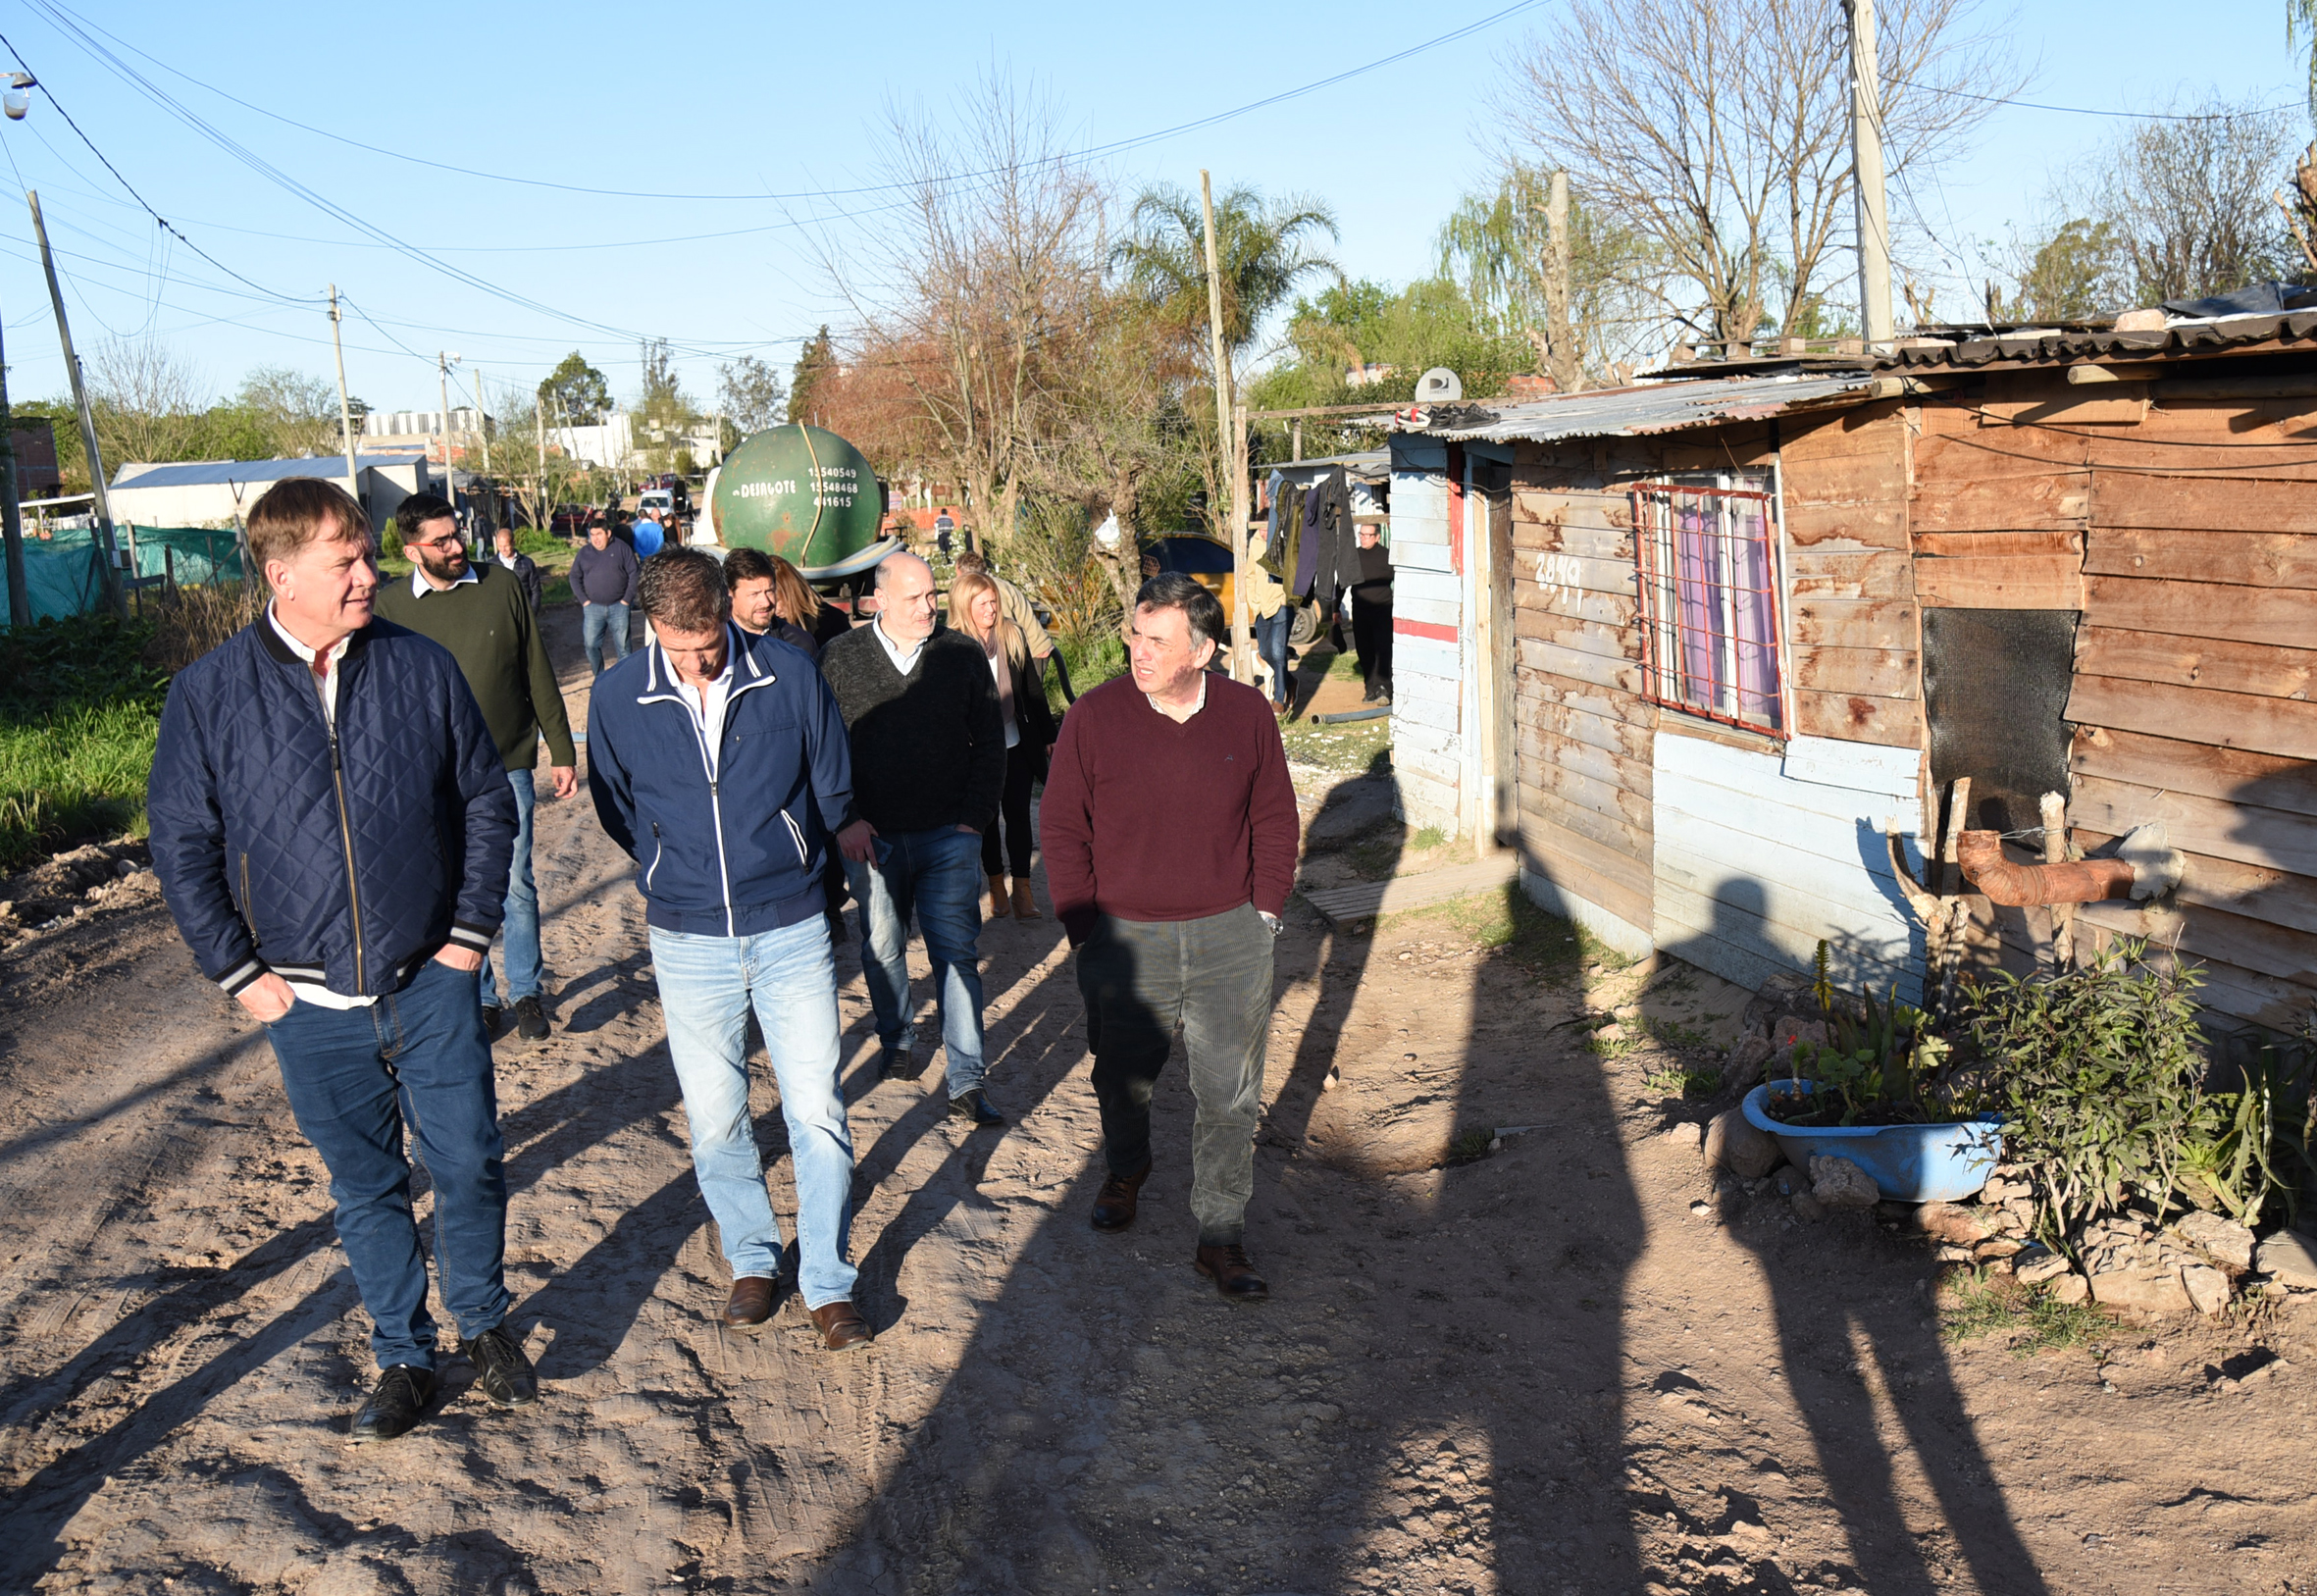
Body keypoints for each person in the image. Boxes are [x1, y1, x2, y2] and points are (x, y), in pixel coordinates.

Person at [145, 476, 533, 1442]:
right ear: (281, 575)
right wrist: (241, 973)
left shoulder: (420, 666)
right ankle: (406, 1356)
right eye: (345, 561)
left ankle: (482, 1322)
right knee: (366, 1187)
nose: (369, 575)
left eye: (366, 555)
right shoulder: (209, 695)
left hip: (432, 982)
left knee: (472, 1162)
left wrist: (467, 941)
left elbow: (486, 803)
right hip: (307, 1003)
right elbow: (181, 841)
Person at [586, 548, 871, 1351]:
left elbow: (829, 777)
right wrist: (661, 862)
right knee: (716, 1119)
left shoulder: (787, 673)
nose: (700, 659)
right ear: (652, 628)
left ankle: (826, 1279)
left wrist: (801, 861)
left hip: (789, 925)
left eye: (708, 640)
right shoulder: (616, 695)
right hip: (686, 937)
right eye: (681, 647)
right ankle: (752, 1257)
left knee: (817, 1109)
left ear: (725, 609)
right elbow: (616, 803)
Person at [1040, 572, 1299, 1300]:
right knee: (1121, 1078)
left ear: (1204, 651)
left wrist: (1266, 910)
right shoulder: (1094, 717)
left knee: (1230, 1094)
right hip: (1125, 941)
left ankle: (1220, 1237)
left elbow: (1275, 816)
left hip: (1229, 937)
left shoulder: (1248, 714)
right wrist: (1084, 925)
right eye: (1134, 634)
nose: (1138, 651)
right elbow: (1062, 826)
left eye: (1157, 640)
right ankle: (1127, 1166)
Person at [375, 492, 577, 1043]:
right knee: (457, 887)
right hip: (429, 773)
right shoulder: (391, 610)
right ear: (413, 550)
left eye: (456, 533)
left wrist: (560, 748)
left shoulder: (501, 586)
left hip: (505, 762)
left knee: (514, 881)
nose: (456, 545)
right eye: (440, 540)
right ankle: (483, 997)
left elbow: (536, 668)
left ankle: (528, 992)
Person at [818, 551, 1007, 1127]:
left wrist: (974, 820)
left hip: (949, 834)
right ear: (878, 602)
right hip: (871, 838)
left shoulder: (961, 654)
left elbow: (991, 743)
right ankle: (897, 1035)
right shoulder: (840, 659)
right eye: (915, 598)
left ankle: (967, 1079)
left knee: (957, 953)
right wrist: (845, 817)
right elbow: (823, 748)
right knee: (882, 945)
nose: (930, 607)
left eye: (932, 595)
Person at [949, 570, 1056, 922]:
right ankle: (996, 886)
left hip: (1015, 741)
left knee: (1020, 816)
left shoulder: (1011, 634)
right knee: (988, 820)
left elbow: (1031, 691)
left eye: (993, 602)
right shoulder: (953, 645)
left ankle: (1023, 890)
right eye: (983, 604)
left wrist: (1049, 734)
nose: (991, 609)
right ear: (965, 606)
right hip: (975, 750)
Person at [950, 548, 1055, 664]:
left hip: (1034, 650)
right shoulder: (988, 586)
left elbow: (1004, 629)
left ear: (968, 576)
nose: (956, 580)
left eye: (958, 575)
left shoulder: (995, 590)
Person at [725, 546, 823, 661]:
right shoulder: (715, 644)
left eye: (770, 591)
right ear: (730, 595)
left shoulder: (798, 644)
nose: (766, 603)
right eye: (754, 594)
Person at [571, 519, 642, 675]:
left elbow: (634, 574)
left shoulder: (622, 549)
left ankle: (624, 682)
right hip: (593, 609)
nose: (595, 538)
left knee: (624, 648)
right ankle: (600, 679)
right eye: (592, 534)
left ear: (608, 533)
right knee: (590, 645)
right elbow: (574, 577)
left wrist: (626, 600)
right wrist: (584, 601)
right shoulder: (584, 553)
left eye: (599, 534)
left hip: (619, 607)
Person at [1245, 532, 1292, 715]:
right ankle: (1290, 680)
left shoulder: (1282, 540)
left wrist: (1285, 598)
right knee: (1265, 651)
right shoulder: (1255, 543)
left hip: (1280, 603)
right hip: (1260, 607)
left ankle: (1279, 699)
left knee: (1278, 651)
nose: (1265, 533)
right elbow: (1250, 574)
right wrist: (1253, 601)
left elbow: (1291, 570)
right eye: (1261, 530)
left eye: (1267, 529)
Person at [1350, 522, 1394, 704]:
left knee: (1383, 650)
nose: (1363, 538)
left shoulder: (1387, 556)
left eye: (1368, 535)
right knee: (1364, 652)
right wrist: (1335, 609)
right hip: (1360, 611)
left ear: (1377, 537)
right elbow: (1342, 582)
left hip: (1382, 610)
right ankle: (1370, 689)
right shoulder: (1354, 556)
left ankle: (1384, 689)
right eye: (1361, 534)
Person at [492, 525, 543, 615]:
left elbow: (536, 590)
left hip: (524, 612)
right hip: (501, 614)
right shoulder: (491, 565)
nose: (503, 550)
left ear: (513, 543)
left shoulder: (527, 563)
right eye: (500, 546)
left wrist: (532, 613)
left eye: (506, 546)